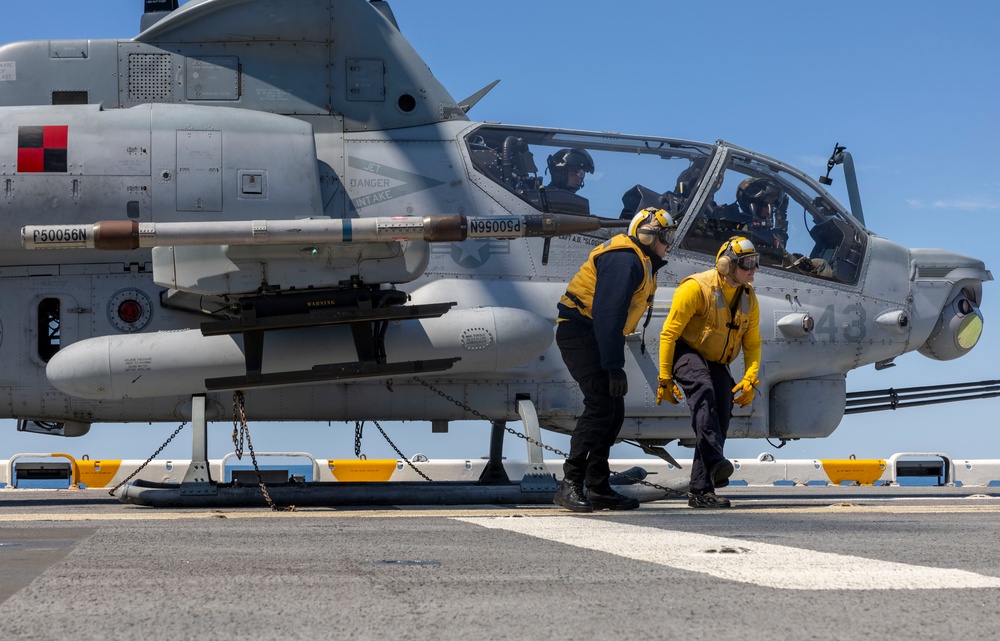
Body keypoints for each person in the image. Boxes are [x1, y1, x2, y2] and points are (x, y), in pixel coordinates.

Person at [554, 207, 677, 512]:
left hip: (594, 334)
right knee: (600, 405)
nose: (669, 243)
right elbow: (609, 315)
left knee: (613, 410)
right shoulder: (624, 260)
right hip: (581, 332)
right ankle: (570, 484)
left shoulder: (639, 258)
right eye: (666, 236)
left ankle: (598, 487)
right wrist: (613, 367)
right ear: (648, 235)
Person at [656, 236, 762, 508]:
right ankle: (716, 460)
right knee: (704, 390)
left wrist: (750, 378)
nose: (753, 269)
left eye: (755, 262)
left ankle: (701, 490)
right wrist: (664, 378)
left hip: (715, 360)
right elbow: (669, 334)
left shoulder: (749, 298)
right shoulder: (696, 288)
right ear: (727, 265)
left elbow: (752, 343)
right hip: (685, 350)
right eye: (747, 263)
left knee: (722, 409)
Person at [543, 148, 594, 215]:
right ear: (560, 172)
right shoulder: (542, 198)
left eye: (581, 174)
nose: (578, 178)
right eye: (574, 172)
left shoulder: (575, 206)